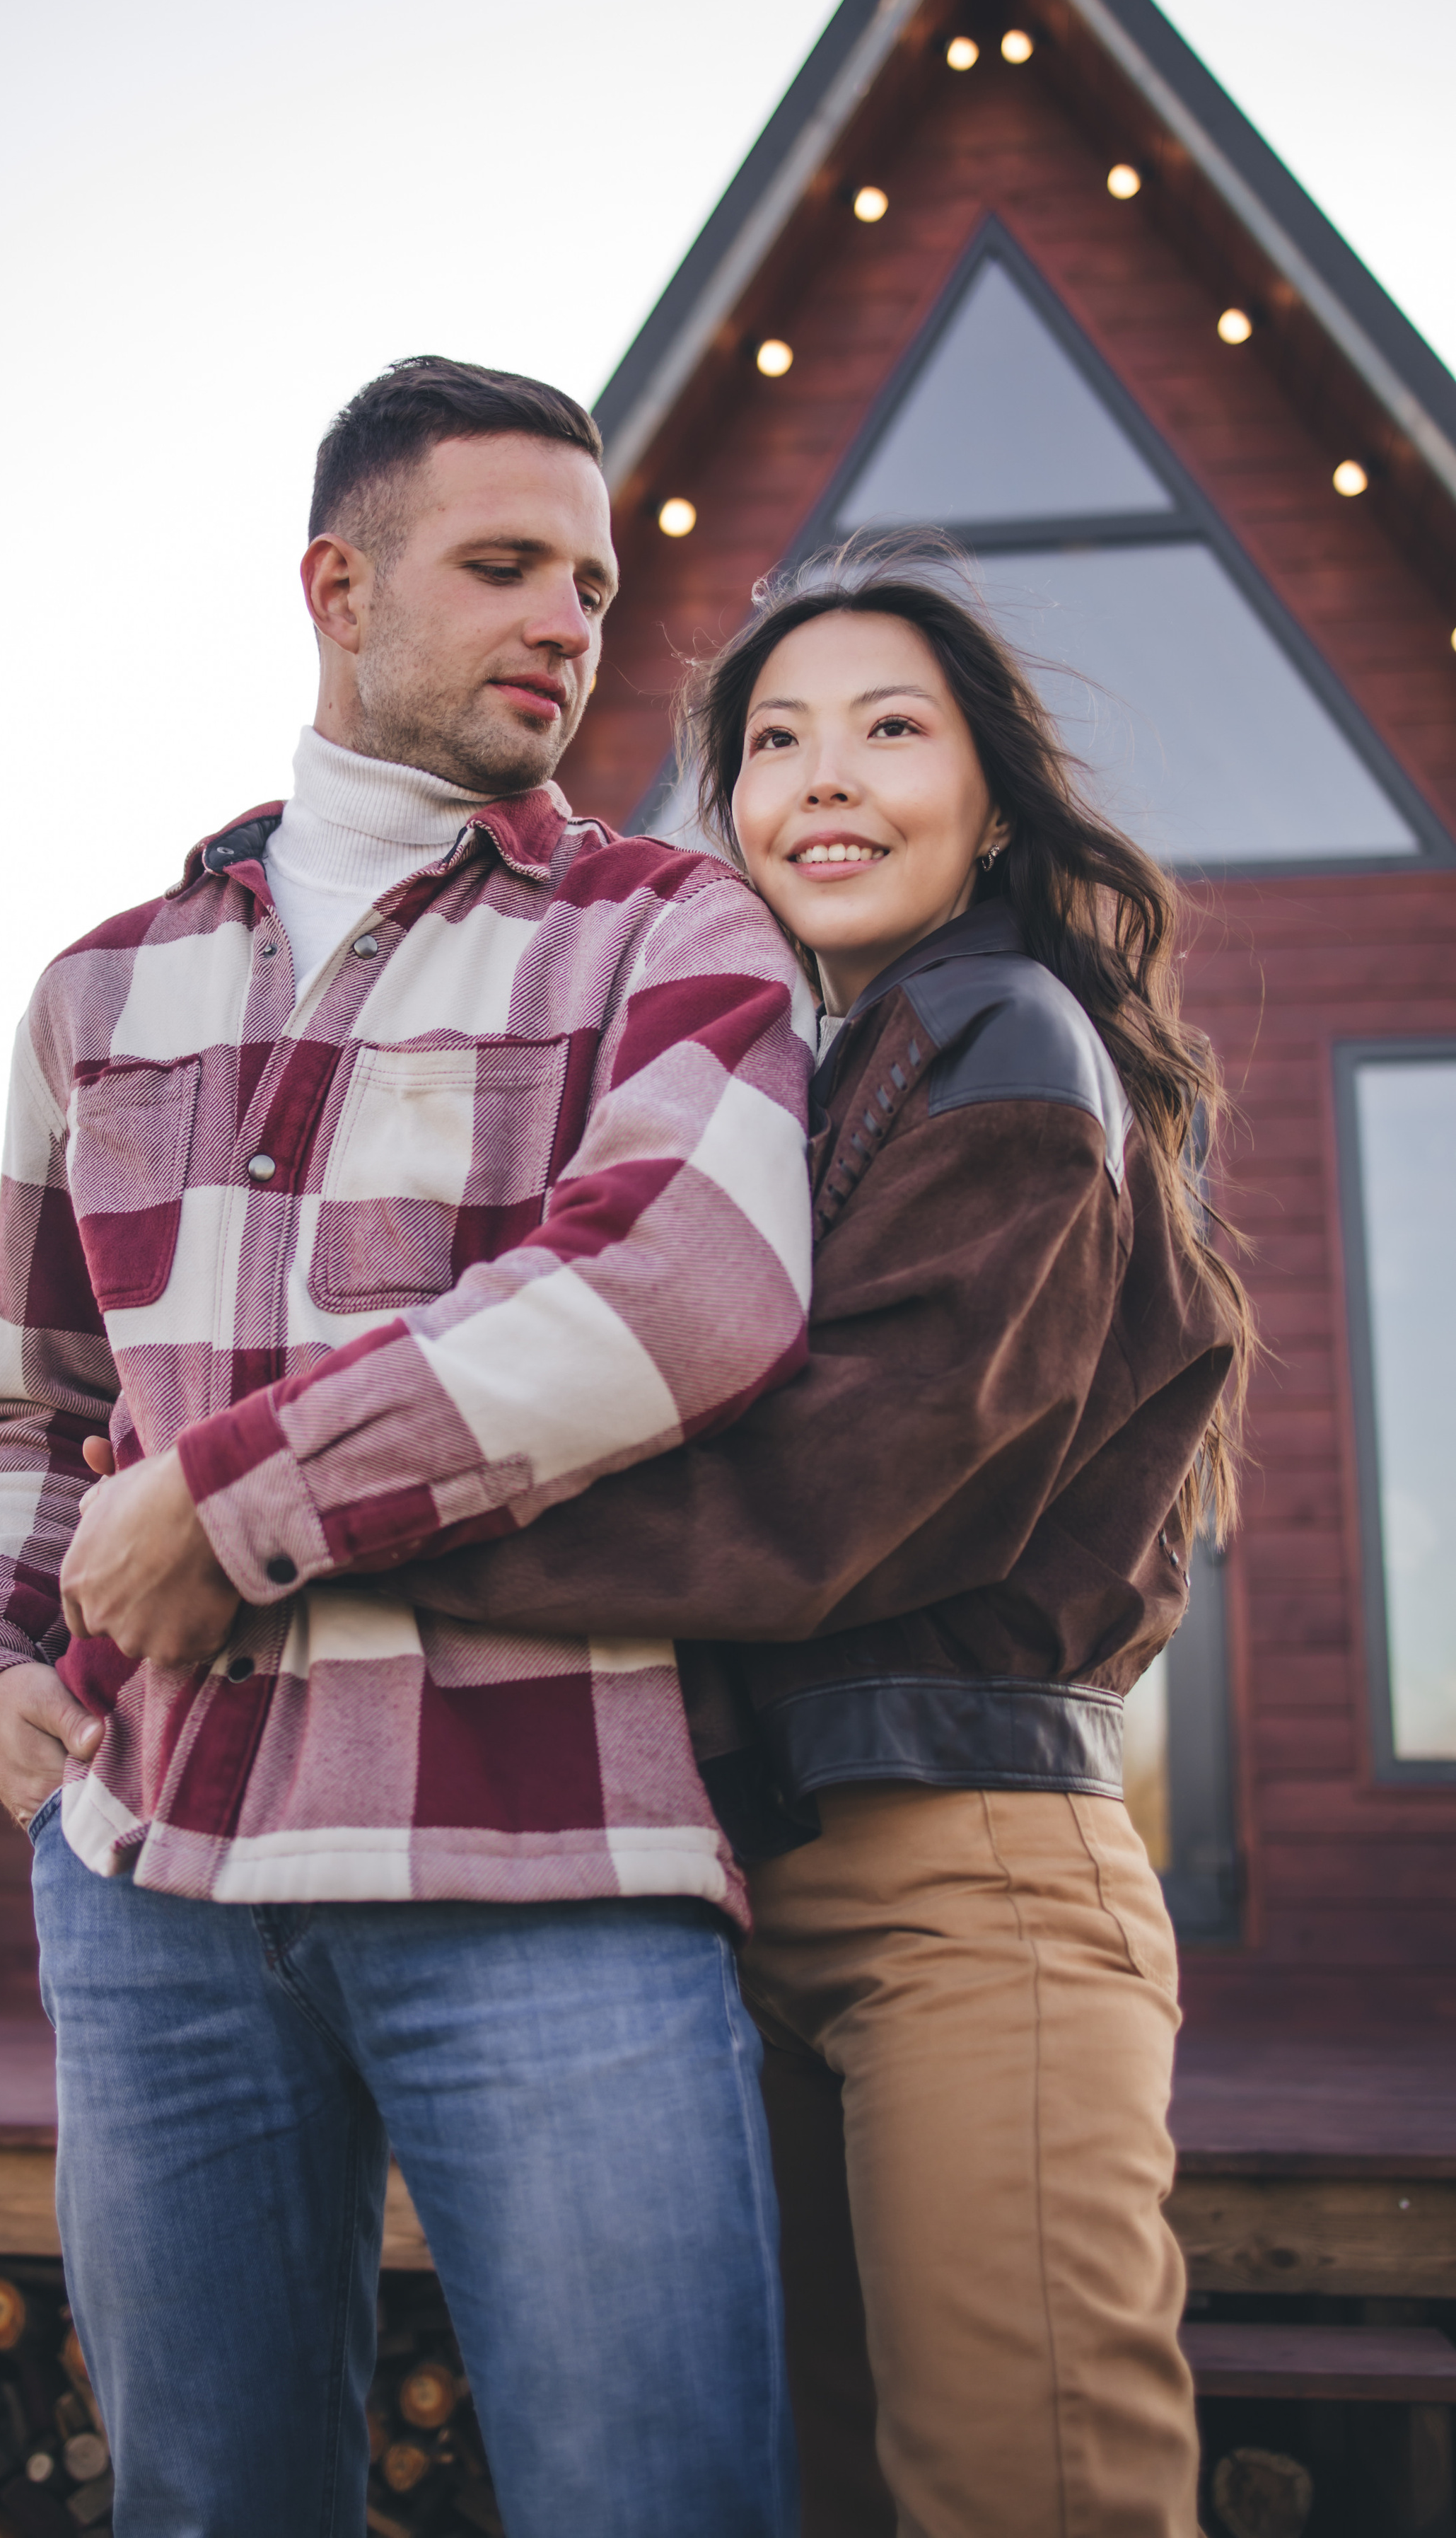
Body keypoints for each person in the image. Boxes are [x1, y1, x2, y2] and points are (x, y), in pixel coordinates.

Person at [0, 357, 813, 2538]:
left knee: (655, 2502)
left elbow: (684, 1283)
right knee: (213, 2509)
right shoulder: (95, 995)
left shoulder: (668, 930)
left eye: (591, 587)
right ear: (338, 587)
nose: (567, 626)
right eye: (504, 567)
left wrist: (228, 1511)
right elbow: (34, 1395)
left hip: (550, 1868)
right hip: (147, 1885)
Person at [390, 545, 1253, 2538]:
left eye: (891, 730)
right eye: (773, 743)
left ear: (992, 798)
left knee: (1033, 2502)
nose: (824, 781)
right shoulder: (797, 1080)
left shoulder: (1013, 1041)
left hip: (973, 1888)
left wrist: (371, 1531)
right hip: (749, 1895)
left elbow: (836, 1490)